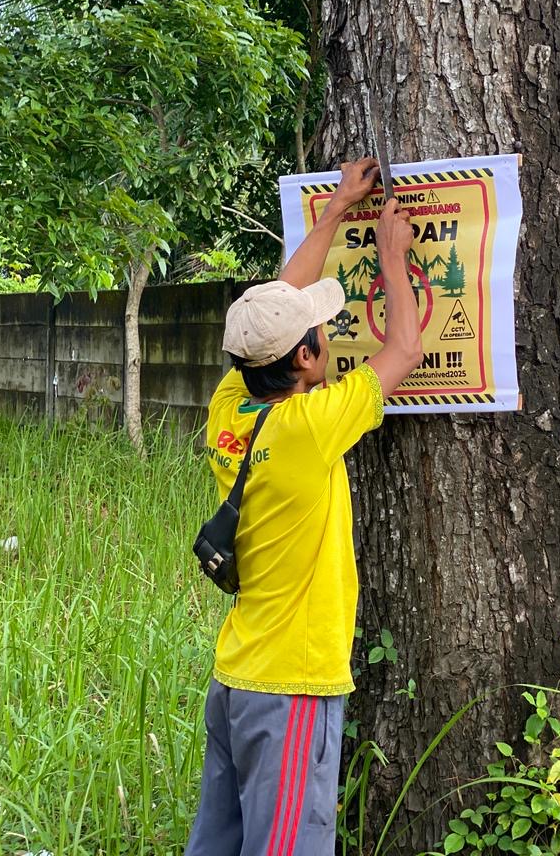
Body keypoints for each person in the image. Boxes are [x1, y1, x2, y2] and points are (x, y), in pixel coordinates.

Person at [186, 157, 423, 856]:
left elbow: (273, 307)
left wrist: (335, 209)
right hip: (290, 688)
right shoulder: (309, 428)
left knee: (218, 845)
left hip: (235, 680)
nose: (326, 333)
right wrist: (390, 255)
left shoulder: (229, 410)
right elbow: (405, 346)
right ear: (307, 359)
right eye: (318, 331)